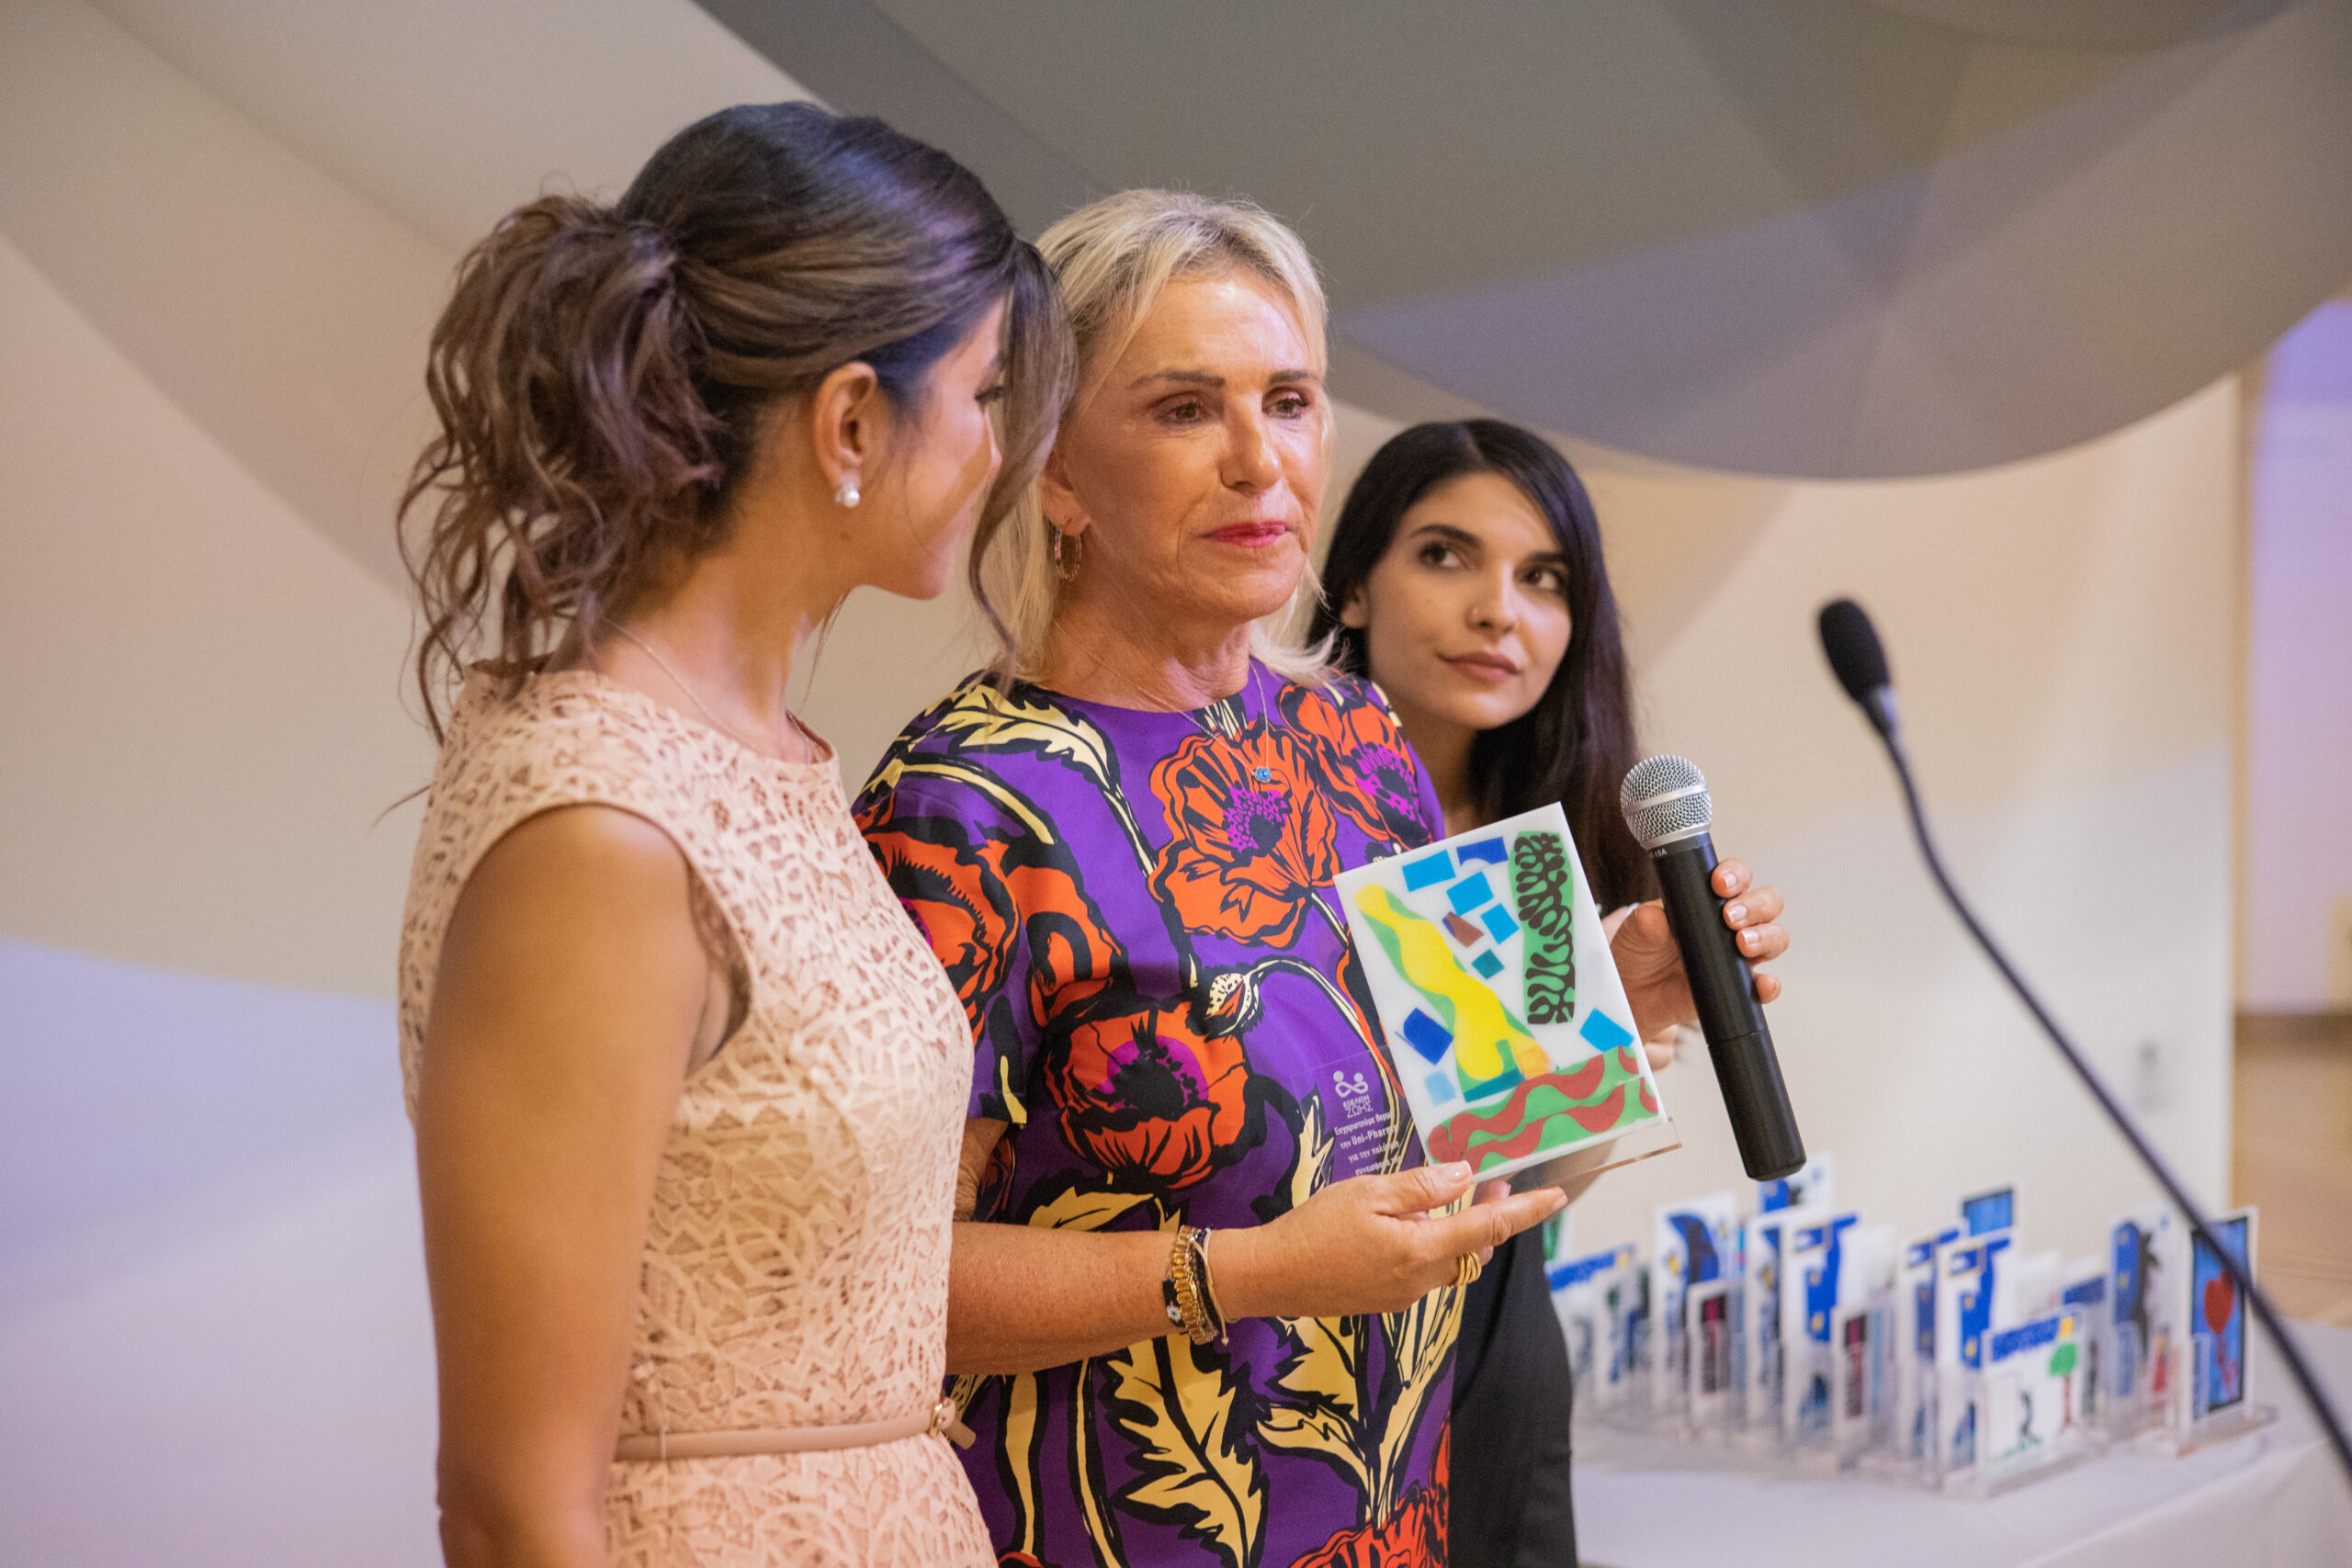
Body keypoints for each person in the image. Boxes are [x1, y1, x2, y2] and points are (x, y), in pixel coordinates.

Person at [856, 191, 1723, 1568]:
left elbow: (1485, 1139)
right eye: (1184, 409)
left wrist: (1612, 995)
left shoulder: (1359, 733)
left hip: (1398, 1525)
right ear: (1058, 472)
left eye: (1292, 401)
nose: (1260, 461)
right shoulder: (961, 802)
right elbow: (874, 1283)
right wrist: (1248, 1273)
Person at [394, 103, 1068, 1567]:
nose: (1000, 449)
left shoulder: (767, 752)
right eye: (984, 394)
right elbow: (511, 1504)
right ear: (851, 421)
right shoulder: (604, 825)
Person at [1310, 419, 1791, 1566]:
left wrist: (1624, 1024)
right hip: (1292, 1349)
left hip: (1491, 1343)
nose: (1498, 612)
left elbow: (1530, 1185)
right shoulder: (1256, 823)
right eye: (1445, 556)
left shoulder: (1535, 858)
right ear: (1353, 587)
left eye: (1543, 578)